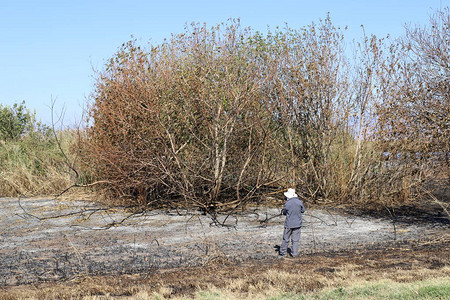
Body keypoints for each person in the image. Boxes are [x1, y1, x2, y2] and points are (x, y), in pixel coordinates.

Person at [279, 188, 305, 258]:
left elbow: (284, 212)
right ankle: (294, 253)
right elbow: (303, 210)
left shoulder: (287, 203)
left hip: (289, 224)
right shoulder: (299, 202)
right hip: (298, 224)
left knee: (286, 239)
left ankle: (283, 253)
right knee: (295, 240)